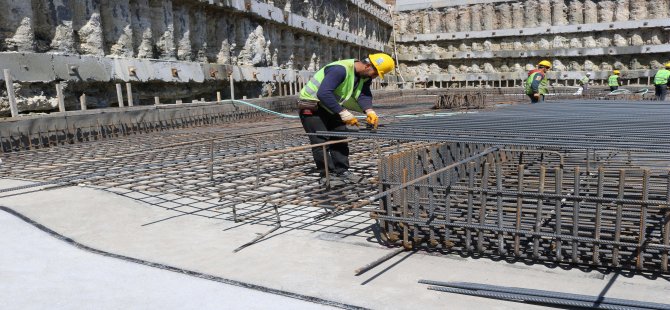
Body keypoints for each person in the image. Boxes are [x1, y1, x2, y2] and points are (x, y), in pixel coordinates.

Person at [297, 53, 395, 187]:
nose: (375, 77)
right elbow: (323, 93)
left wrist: (369, 110)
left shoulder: (363, 77)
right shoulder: (340, 70)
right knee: (321, 141)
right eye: (376, 73)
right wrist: (343, 112)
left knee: (340, 138)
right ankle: (327, 175)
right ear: (367, 66)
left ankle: (342, 171)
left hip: (331, 107)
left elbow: (364, 94)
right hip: (312, 106)